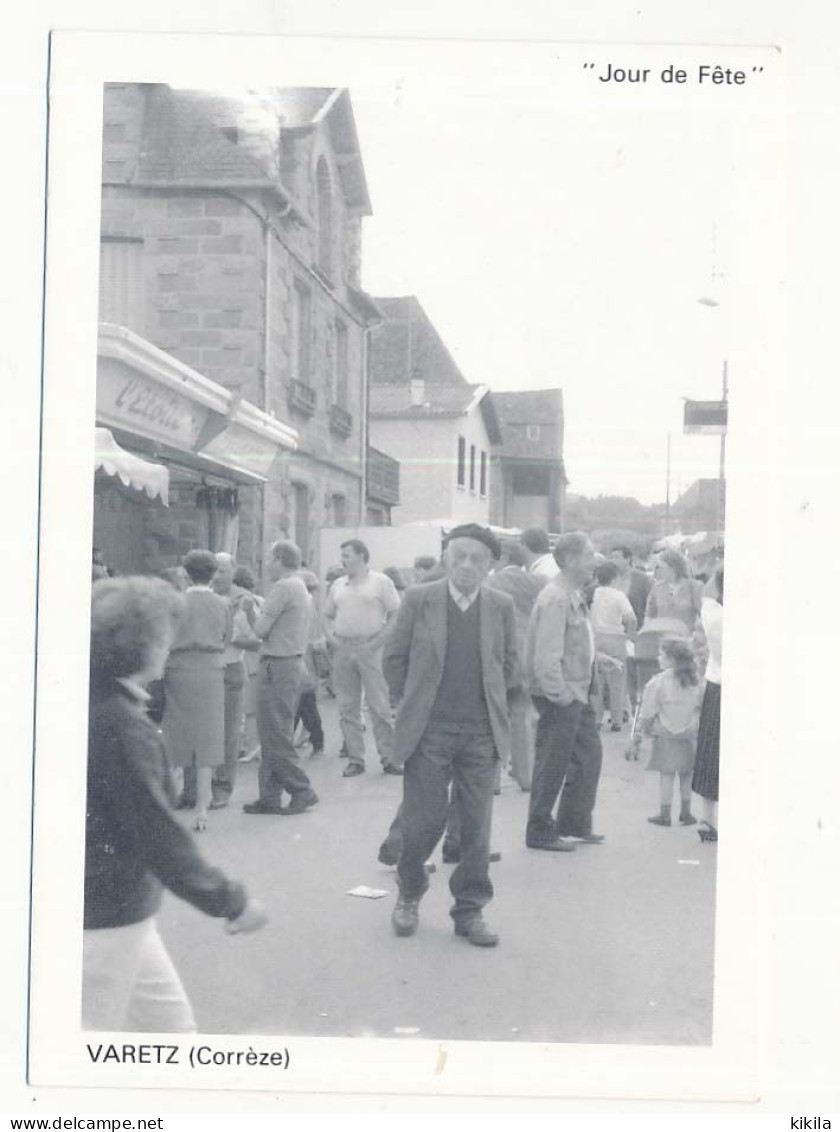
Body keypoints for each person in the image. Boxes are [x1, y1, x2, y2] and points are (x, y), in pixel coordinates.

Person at [84, 577, 266, 1031]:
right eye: (166, 637)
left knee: (172, 1031)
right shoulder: (122, 726)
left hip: (120, 910)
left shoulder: (96, 702)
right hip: (106, 916)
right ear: (141, 645)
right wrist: (231, 901)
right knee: (93, 1044)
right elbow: (156, 833)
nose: (170, 647)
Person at [383, 523, 519, 948]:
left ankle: (470, 910)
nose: (466, 565)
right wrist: (412, 704)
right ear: (445, 557)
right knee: (423, 822)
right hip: (430, 731)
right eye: (458, 555)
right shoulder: (419, 599)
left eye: (477, 558)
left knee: (477, 827)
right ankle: (409, 893)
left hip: (480, 732)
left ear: (490, 565)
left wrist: (493, 708)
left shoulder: (501, 606)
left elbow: (510, 665)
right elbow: (394, 658)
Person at [524, 532, 616, 851]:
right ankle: (539, 830)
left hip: (577, 691)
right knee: (553, 763)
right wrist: (560, 695)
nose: (595, 563)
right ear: (572, 560)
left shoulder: (572, 594)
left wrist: (597, 659)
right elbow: (546, 657)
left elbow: (573, 643)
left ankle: (573, 824)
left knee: (588, 758)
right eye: (590, 556)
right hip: (562, 695)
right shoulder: (557, 598)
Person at [243, 540, 318, 816]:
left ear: (278, 559)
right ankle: (269, 795)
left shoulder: (283, 587)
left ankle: (301, 789)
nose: (266, 565)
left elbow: (260, 630)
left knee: (273, 733)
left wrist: (249, 609)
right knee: (277, 730)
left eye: (269, 559)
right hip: (290, 663)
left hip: (277, 664)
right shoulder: (299, 586)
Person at [162, 550, 229, 832]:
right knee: (207, 736)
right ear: (213, 574)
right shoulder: (222, 604)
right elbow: (226, 636)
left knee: (175, 733)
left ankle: (169, 800)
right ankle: (202, 807)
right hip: (210, 670)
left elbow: (165, 635)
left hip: (178, 668)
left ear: (186, 573)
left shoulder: (175, 602)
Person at [324, 539, 402, 777]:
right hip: (344, 648)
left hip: (372, 646)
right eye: (342, 555)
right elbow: (326, 615)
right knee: (348, 706)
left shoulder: (381, 582)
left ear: (361, 556)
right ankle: (355, 759)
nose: (343, 560)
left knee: (379, 706)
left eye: (347, 555)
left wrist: (378, 642)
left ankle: (389, 758)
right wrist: (332, 638)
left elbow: (396, 614)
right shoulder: (338, 585)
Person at [486, 539, 547, 790]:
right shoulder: (538, 582)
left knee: (494, 717)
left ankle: (493, 780)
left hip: (499, 656)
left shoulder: (490, 583)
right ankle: (525, 776)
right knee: (521, 716)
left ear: (502, 558)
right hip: (528, 655)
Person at [632, 636, 702, 826]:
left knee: (667, 774)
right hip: (689, 733)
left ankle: (665, 813)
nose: (658, 658)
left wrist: (642, 731)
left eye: (662, 655)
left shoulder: (658, 682)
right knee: (687, 773)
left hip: (665, 732)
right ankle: (686, 812)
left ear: (671, 659)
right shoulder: (695, 681)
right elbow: (699, 705)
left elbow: (648, 710)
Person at [209, 552, 255, 809]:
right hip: (205, 670)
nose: (217, 576)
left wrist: (229, 638)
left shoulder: (244, 599)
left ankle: (222, 788)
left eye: (223, 571)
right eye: (214, 570)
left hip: (230, 668)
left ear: (234, 572)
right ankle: (195, 789)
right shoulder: (204, 594)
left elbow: (258, 640)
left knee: (227, 732)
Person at [692, 566, 723, 842]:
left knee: (711, 753)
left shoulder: (713, 613)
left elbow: (706, 592)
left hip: (717, 684)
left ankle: (707, 817)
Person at [590, 561, 638, 731]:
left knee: (597, 680)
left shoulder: (591, 594)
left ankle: (596, 718)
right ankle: (617, 719)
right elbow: (630, 618)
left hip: (595, 636)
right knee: (617, 681)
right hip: (615, 637)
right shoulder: (618, 595)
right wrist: (630, 637)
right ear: (615, 577)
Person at [232, 565, 263, 763]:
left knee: (248, 708)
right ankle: (252, 746)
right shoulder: (259, 600)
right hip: (256, 659)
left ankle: (251, 747)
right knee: (251, 707)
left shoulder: (238, 603)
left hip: (246, 658)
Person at [294, 569, 326, 757]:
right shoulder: (310, 603)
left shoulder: (303, 603)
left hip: (302, 658)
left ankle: (316, 740)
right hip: (305, 658)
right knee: (305, 703)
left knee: (303, 703)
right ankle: (315, 740)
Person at [645, 549, 703, 634]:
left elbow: (704, 615)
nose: (657, 571)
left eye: (660, 567)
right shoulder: (656, 588)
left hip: (687, 639)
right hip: (663, 640)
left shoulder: (694, 587)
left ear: (673, 567)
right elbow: (649, 616)